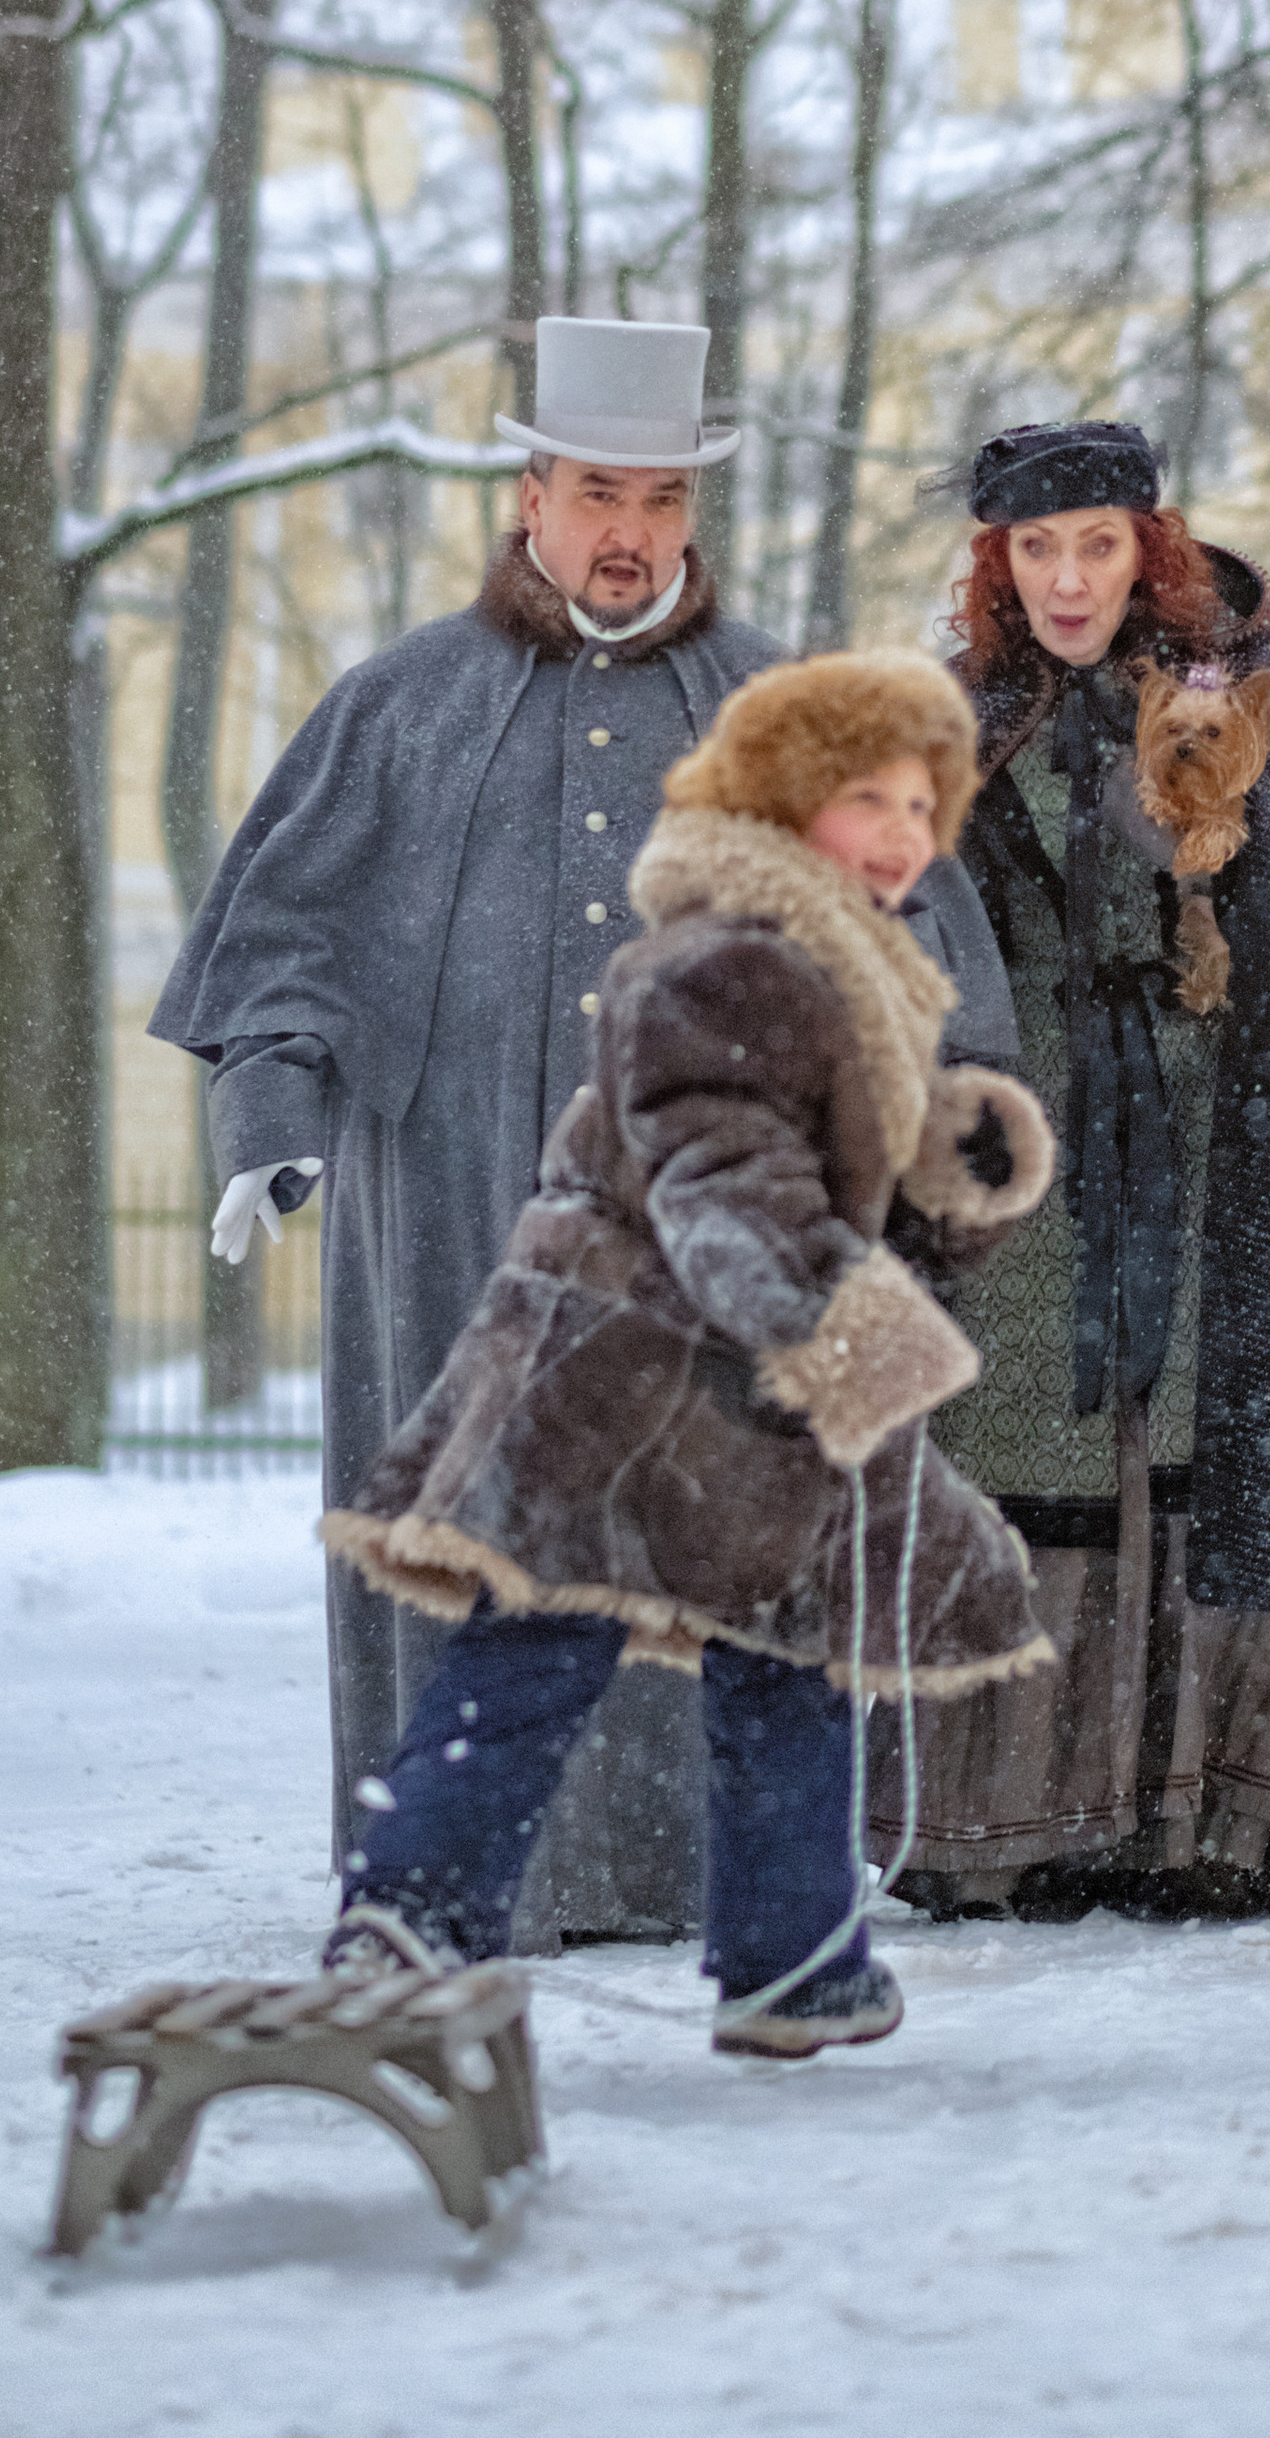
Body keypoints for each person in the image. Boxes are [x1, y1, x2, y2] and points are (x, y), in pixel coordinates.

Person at [150, 317, 1014, 1941]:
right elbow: (283, 951)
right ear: (530, 492)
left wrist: (940, 1142)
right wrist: (270, 1119)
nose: (631, 533)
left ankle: (722, 1898)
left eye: (663, 498)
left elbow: (930, 953)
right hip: (457, 1221)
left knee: (732, 1530)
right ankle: (464, 1888)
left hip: (722, 1238)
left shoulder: (791, 717)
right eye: (599, 490)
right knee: (479, 1534)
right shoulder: (399, 707)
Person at [318, 651, 1057, 2057]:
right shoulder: (725, 961)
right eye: (867, 798)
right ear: (782, 804)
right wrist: (851, 1335)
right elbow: (723, 1192)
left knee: (793, 1655)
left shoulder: (839, 973)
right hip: (624, 1384)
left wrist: (943, 1173)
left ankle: (797, 1958)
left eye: (923, 803)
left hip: (726, 1401)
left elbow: (828, 1188)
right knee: (540, 1644)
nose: (906, 833)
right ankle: (411, 1910)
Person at [885, 417, 1270, 1922]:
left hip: (1230, 1157)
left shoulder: (1245, 701)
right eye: (1036, 549)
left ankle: (1241, 1822)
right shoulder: (953, 724)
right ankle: (1023, 1821)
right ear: (997, 564)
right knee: (1032, 1463)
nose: (1068, 578)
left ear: (1144, 545)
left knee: (1227, 1465)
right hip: (1024, 1167)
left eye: (1097, 543)